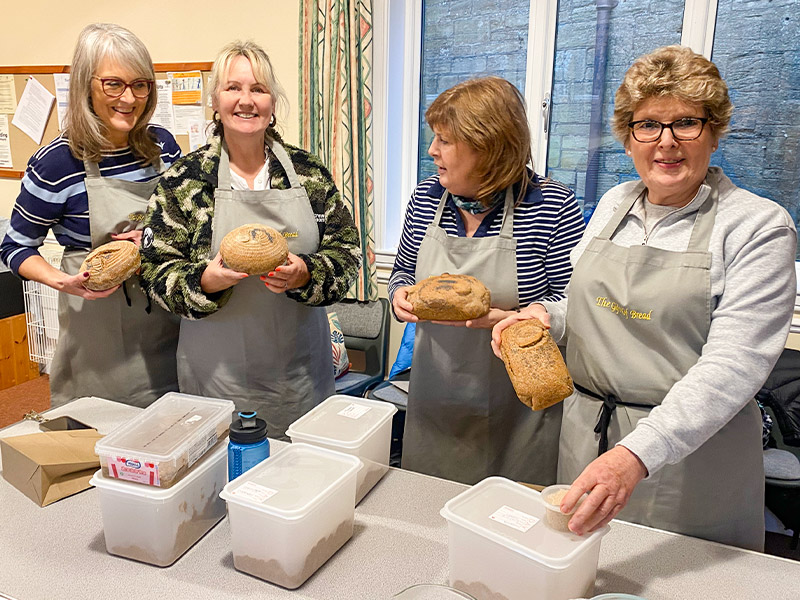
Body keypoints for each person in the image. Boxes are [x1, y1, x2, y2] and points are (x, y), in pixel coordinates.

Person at [492, 45, 797, 551]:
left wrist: (635, 456)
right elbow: (584, 308)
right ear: (628, 136)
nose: (666, 142)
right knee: (582, 568)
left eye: (686, 123)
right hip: (588, 440)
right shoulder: (613, 204)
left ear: (714, 131)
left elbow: (734, 367)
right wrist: (545, 317)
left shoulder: (757, 226)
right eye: (648, 125)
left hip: (689, 460)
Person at [140, 41, 361, 439]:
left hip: (298, 376)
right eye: (233, 88)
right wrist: (204, 282)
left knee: (299, 481)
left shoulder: (308, 173)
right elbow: (154, 271)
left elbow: (347, 254)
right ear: (215, 100)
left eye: (258, 89)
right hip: (215, 379)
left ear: (273, 102)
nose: (246, 100)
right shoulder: (184, 180)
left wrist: (306, 273)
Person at [389, 77, 585, 486]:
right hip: (435, 403)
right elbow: (403, 272)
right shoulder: (427, 197)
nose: (432, 151)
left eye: (445, 140)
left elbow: (574, 302)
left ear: (488, 146)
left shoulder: (552, 205)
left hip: (519, 411)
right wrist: (399, 297)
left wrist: (514, 318)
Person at [0, 23, 182, 407]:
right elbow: (16, 246)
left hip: (166, 325)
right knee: (99, 436)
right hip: (98, 333)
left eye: (140, 84)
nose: (128, 98)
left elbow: (185, 223)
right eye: (113, 84)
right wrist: (63, 282)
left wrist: (153, 238)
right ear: (86, 86)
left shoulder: (162, 146)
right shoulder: (58, 163)